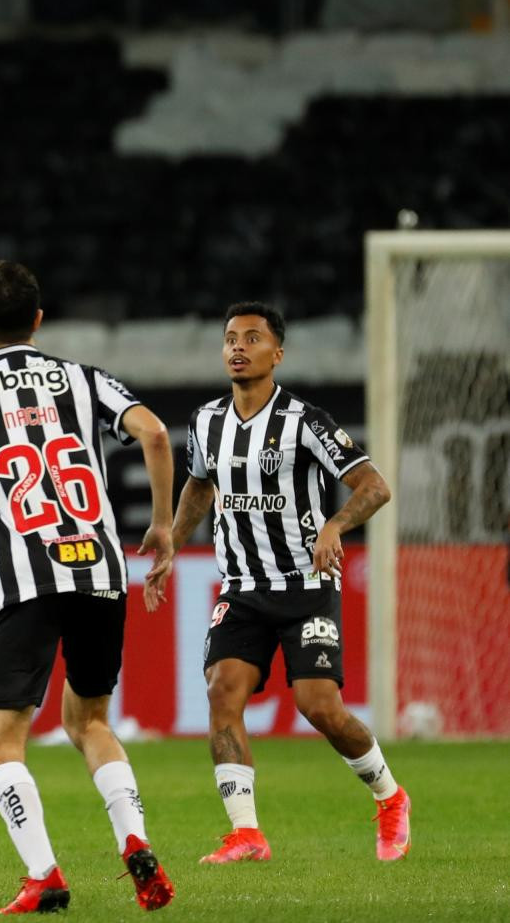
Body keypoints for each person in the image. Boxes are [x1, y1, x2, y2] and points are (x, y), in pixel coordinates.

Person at [0, 260, 176, 914]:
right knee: (90, 721)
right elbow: (157, 433)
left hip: (25, 580)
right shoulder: (84, 380)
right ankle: (134, 838)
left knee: (5, 742)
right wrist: (162, 525)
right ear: (39, 319)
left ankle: (44, 872)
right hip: (100, 571)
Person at [153, 301, 410, 864]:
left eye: (251, 338)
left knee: (319, 707)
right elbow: (199, 485)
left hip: (305, 584)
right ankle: (247, 832)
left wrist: (335, 525)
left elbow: (374, 486)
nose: (238, 347)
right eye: (230, 338)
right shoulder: (206, 421)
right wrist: (172, 540)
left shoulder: (305, 421)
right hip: (242, 587)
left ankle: (390, 798)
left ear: (278, 353)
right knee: (222, 692)